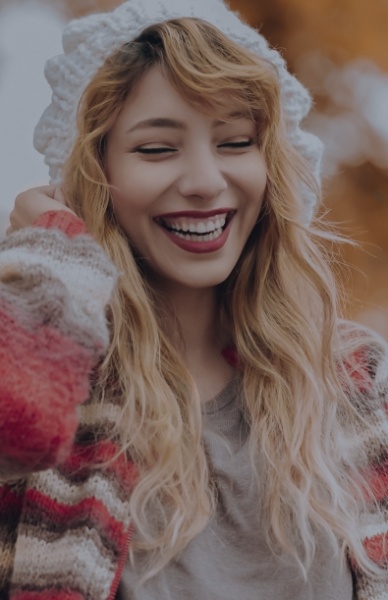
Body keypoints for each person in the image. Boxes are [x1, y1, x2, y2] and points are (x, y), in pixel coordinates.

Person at [0, 0, 387, 598]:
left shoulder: (355, 382)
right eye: (156, 149)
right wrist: (50, 259)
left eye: (236, 142)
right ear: (91, 177)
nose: (206, 181)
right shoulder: (59, 381)